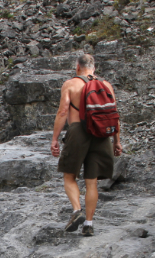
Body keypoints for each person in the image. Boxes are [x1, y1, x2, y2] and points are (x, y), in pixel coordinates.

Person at [50, 54, 122, 236]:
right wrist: (117, 141)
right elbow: (114, 115)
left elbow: (62, 112)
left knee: (69, 176)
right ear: (94, 68)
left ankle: (76, 211)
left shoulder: (71, 84)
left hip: (78, 131)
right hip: (101, 134)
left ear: (77, 67)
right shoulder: (106, 85)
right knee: (92, 182)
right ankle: (88, 224)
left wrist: (55, 139)